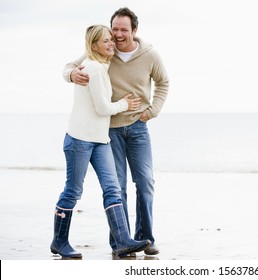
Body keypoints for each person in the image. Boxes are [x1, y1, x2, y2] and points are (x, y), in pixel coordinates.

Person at [63, 8, 169, 256]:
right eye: (115, 30)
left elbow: (163, 82)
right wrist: (71, 74)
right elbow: (70, 66)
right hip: (109, 130)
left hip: (138, 127)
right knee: (116, 187)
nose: (118, 35)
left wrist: (151, 111)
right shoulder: (103, 52)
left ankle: (145, 238)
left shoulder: (150, 55)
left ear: (134, 30)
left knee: (145, 183)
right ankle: (121, 243)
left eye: (123, 30)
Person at [51, 24, 151, 259]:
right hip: (79, 140)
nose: (112, 43)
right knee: (73, 191)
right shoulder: (94, 67)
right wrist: (125, 105)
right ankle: (59, 242)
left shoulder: (101, 63)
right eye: (106, 40)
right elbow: (103, 107)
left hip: (100, 139)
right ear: (93, 45)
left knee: (112, 188)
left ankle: (122, 241)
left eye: (111, 39)